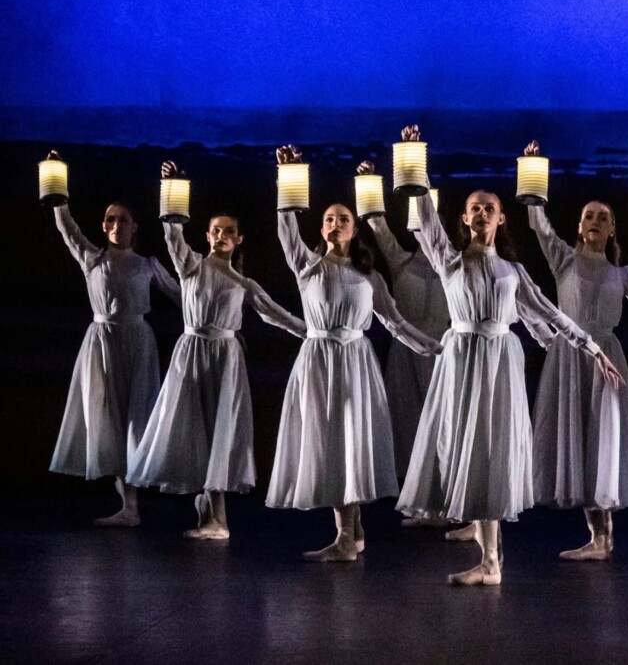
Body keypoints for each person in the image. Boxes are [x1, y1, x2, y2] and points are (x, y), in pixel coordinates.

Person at [394, 127, 622, 587]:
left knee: (491, 450)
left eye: (490, 208)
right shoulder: (449, 261)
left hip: (498, 362)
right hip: (461, 360)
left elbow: (551, 314)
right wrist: (416, 163)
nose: (482, 213)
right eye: (475, 208)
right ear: (465, 218)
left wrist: (593, 347)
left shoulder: (512, 271)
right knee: (461, 448)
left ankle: (492, 561)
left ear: (501, 219)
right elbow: (426, 219)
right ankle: (488, 557)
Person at [267, 148, 442, 562]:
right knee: (328, 444)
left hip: (355, 364)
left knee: (349, 443)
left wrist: (436, 348)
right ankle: (350, 532)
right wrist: (287, 175)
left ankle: (349, 535)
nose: (335, 224)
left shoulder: (369, 276)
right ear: (321, 227)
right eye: (329, 219)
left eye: (343, 219)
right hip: (318, 361)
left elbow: (395, 322)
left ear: (354, 229)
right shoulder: (307, 266)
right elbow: (286, 229)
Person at [128, 163, 305, 539]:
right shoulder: (191, 267)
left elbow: (277, 315)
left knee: (222, 430)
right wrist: (171, 186)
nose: (221, 236)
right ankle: (209, 507)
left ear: (239, 239)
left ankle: (218, 519)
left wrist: (313, 333)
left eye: (228, 232)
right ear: (207, 235)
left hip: (225, 358)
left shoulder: (243, 283)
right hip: (192, 353)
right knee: (194, 428)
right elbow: (173, 235)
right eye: (216, 231)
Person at [526, 157, 628, 560]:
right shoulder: (564, 260)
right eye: (589, 216)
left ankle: (604, 538)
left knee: (602, 438)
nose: (595, 221)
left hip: (607, 358)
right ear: (579, 226)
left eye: (603, 217)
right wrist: (532, 180)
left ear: (613, 228)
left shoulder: (621, 274)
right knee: (577, 437)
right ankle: (597, 537)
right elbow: (540, 226)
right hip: (570, 357)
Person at [47, 153, 180, 526]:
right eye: (110, 219)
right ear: (103, 226)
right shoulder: (93, 259)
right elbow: (66, 227)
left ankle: (133, 504)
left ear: (135, 226)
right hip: (102, 342)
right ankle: (129, 507)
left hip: (138, 342)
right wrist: (56, 187)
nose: (116, 224)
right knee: (108, 420)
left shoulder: (148, 265)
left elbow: (185, 298)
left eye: (123, 219)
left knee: (136, 418)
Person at [358, 161, 453, 487]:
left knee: (441, 416)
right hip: (406, 348)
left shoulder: (453, 266)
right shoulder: (401, 260)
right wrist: (369, 182)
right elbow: (378, 226)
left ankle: (442, 482)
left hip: (441, 348)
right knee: (407, 416)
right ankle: (411, 485)